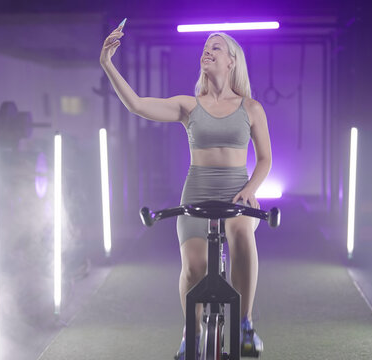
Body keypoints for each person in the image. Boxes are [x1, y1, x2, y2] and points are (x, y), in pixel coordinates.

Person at [100, 21, 272, 359]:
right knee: (194, 268)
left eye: (216, 47)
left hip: (237, 195)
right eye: (205, 47)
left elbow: (265, 159)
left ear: (231, 61)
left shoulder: (251, 108)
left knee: (240, 233)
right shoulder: (188, 106)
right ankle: (189, 334)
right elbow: (136, 104)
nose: (207, 51)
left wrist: (251, 188)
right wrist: (107, 62)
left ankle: (245, 323)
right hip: (195, 194)